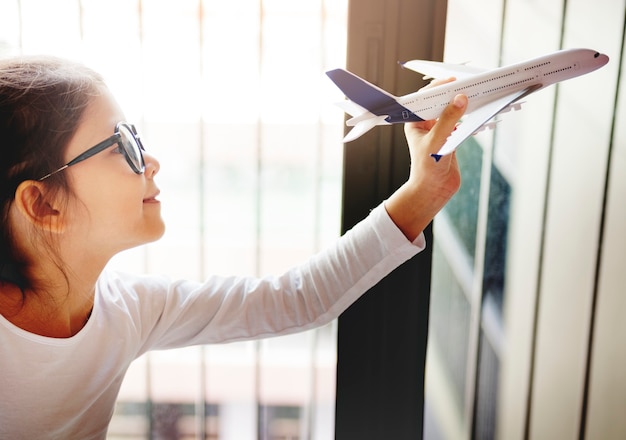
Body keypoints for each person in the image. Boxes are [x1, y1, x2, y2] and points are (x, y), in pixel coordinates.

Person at [0, 55, 467, 438]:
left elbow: (298, 300)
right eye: (122, 145)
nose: (152, 162)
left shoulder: (129, 311)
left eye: (136, 138)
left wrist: (422, 194)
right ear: (43, 205)